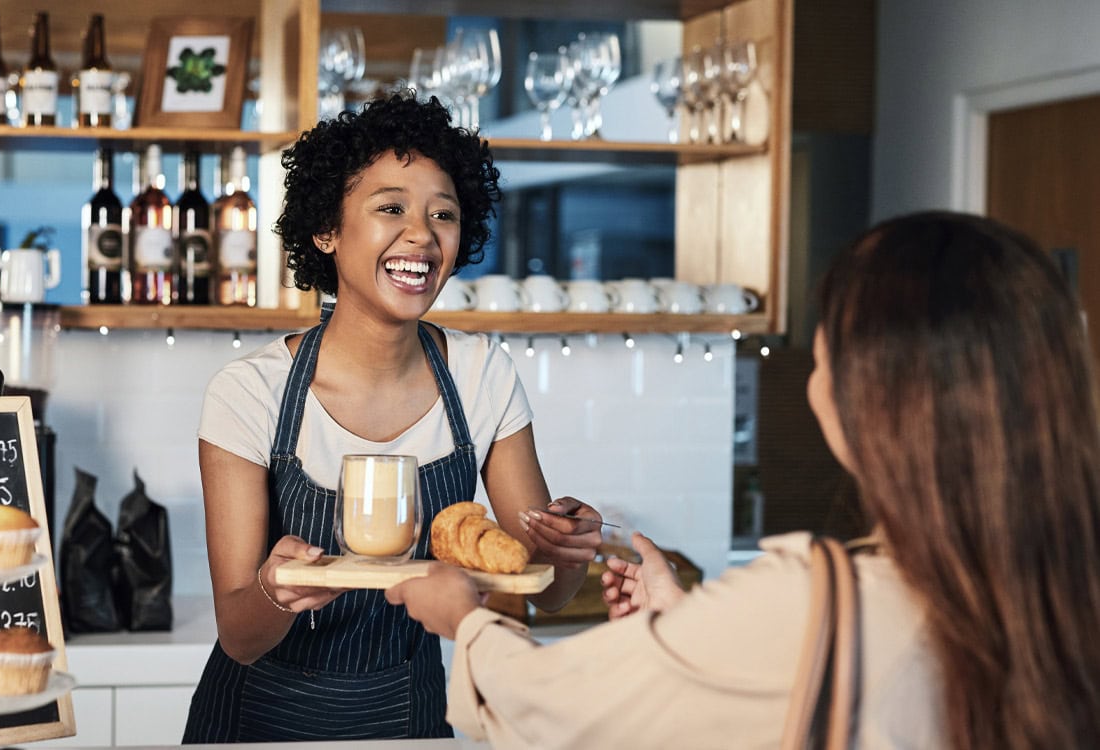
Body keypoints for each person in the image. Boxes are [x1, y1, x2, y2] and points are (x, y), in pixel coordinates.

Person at [388, 211, 1100, 748]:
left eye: (826, 359)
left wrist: (466, 620)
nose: (816, 379)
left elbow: (555, 704)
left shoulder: (817, 597)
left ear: (875, 402)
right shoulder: (1063, 592)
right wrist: (682, 624)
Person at [183, 94, 603, 743]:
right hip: (259, 720)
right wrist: (276, 590)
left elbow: (543, 590)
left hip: (409, 716)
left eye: (444, 214)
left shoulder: (480, 376)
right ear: (326, 228)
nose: (422, 235)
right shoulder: (251, 393)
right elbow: (239, 636)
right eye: (390, 208)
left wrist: (567, 550)